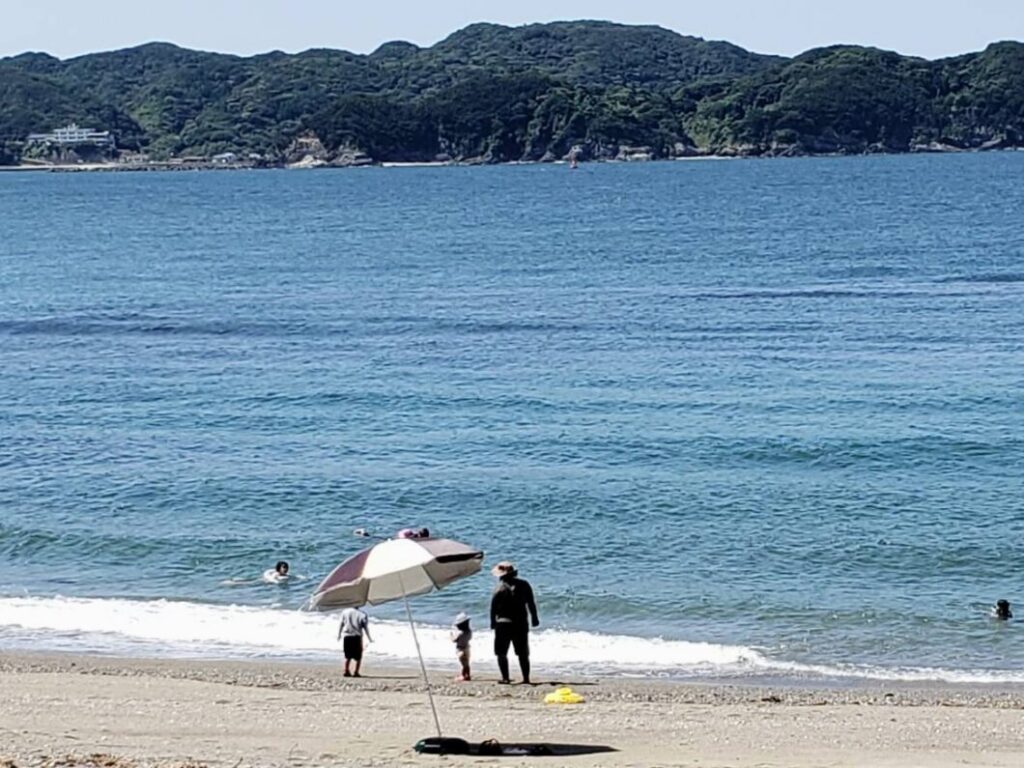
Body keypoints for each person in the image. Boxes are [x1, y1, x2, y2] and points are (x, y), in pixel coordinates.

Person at [490, 561, 539, 685]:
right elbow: (531, 603)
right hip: (520, 623)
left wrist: (492, 622)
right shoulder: (524, 585)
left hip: (503, 623)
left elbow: (493, 608)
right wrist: (534, 618)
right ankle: (526, 678)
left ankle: (505, 678)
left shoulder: (499, 589)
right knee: (523, 653)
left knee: (501, 652)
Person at [337, 606, 372, 677]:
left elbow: (341, 624)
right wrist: (369, 638)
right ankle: (356, 672)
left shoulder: (345, 612)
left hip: (347, 636)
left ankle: (346, 670)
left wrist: (339, 635)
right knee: (359, 656)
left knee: (348, 656)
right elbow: (365, 627)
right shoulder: (362, 614)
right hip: (357, 636)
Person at [451, 612, 473, 681]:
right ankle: (468, 675)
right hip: (467, 648)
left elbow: (454, 640)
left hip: (460, 649)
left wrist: (451, 636)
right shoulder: (469, 632)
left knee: (463, 664)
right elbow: (470, 638)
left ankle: (463, 676)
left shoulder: (460, 633)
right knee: (467, 664)